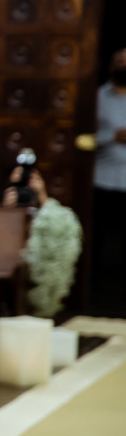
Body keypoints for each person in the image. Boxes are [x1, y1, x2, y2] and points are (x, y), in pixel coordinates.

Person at [92, 47, 126, 315]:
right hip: (102, 179)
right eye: (120, 62)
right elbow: (82, 138)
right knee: (100, 241)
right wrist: (111, 138)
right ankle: (96, 299)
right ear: (110, 67)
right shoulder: (97, 98)